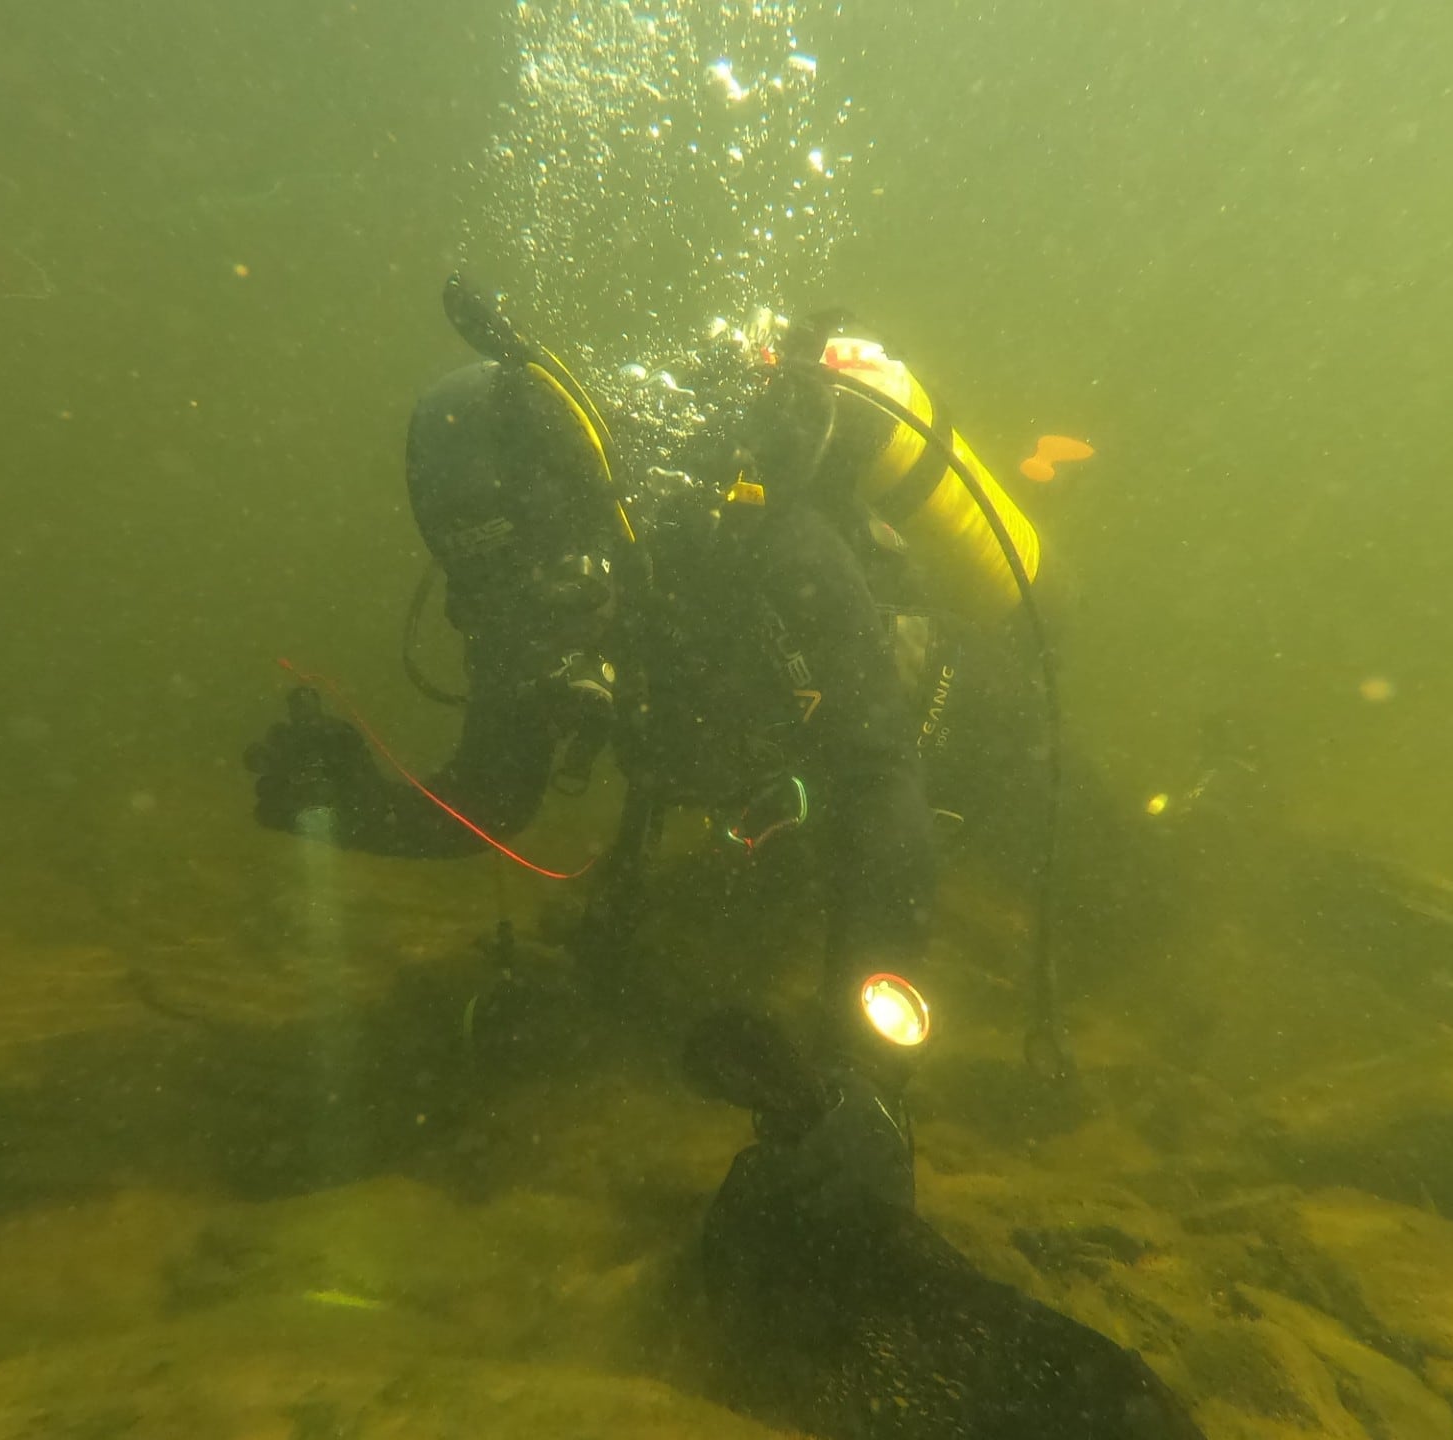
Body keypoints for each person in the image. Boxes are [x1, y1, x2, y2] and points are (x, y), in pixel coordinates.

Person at [246, 275, 1063, 1206]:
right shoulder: (521, 612)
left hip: (951, 740)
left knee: (1116, 891)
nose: (518, 602)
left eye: (529, 554)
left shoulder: (750, 529)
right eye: (481, 571)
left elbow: (883, 789)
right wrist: (339, 804)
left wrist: (863, 1080)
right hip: (779, 811)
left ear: (577, 496)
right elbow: (488, 800)